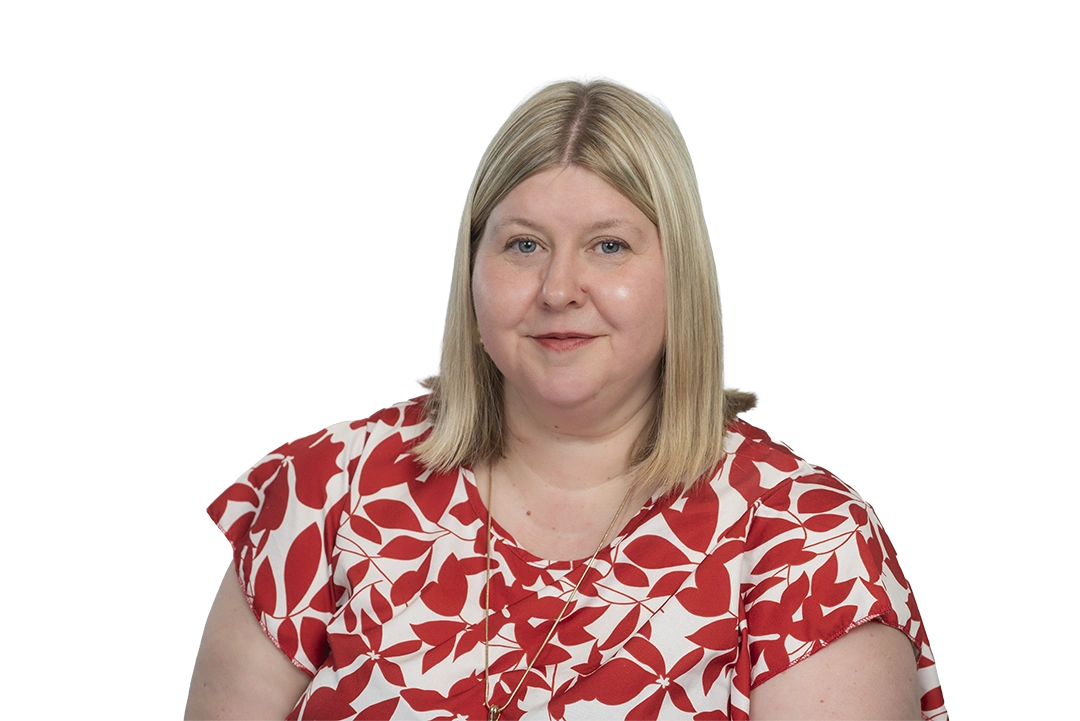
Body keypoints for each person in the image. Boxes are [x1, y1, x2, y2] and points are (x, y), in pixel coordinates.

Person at [187, 77, 948, 721]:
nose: (558, 289)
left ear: (679, 275)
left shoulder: (807, 540)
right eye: (524, 245)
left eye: (608, 246)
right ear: (473, 269)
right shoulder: (326, 492)